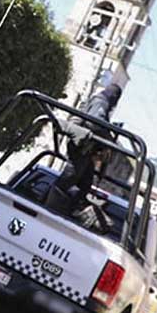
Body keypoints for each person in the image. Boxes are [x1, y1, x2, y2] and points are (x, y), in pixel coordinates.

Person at [49, 83, 123, 216]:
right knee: (69, 177)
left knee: (85, 182)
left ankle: (72, 209)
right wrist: (108, 140)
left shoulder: (98, 100)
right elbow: (95, 122)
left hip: (84, 145)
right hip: (81, 145)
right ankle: (49, 207)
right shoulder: (101, 102)